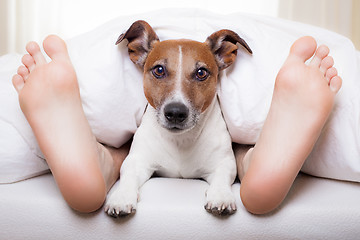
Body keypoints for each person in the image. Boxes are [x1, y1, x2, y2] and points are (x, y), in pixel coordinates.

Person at [11, 34, 342, 214]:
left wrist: (220, 187)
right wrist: (129, 188)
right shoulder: (151, 111)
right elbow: (139, 165)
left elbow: (217, 167)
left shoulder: (215, 93)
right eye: (159, 72)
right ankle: (255, 166)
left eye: (200, 74)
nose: (176, 104)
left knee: (228, 159)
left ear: (227, 56)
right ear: (137, 52)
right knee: (131, 156)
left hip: (212, 138)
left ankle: (102, 164)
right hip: (152, 141)